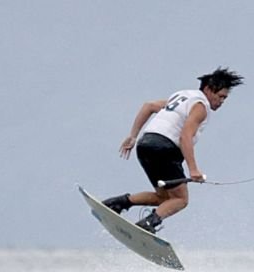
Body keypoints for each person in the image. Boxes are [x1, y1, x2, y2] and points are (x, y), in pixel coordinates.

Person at [102, 67, 244, 233]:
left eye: (224, 98)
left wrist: (133, 136)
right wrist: (193, 169)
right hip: (165, 150)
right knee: (181, 200)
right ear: (208, 89)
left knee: (164, 198)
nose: (221, 102)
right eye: (220, 96)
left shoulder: (182, 96)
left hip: (145, 145)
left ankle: (118, 203)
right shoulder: (201, 106)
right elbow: (185, 136)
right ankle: (148, 224)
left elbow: (149, 106)